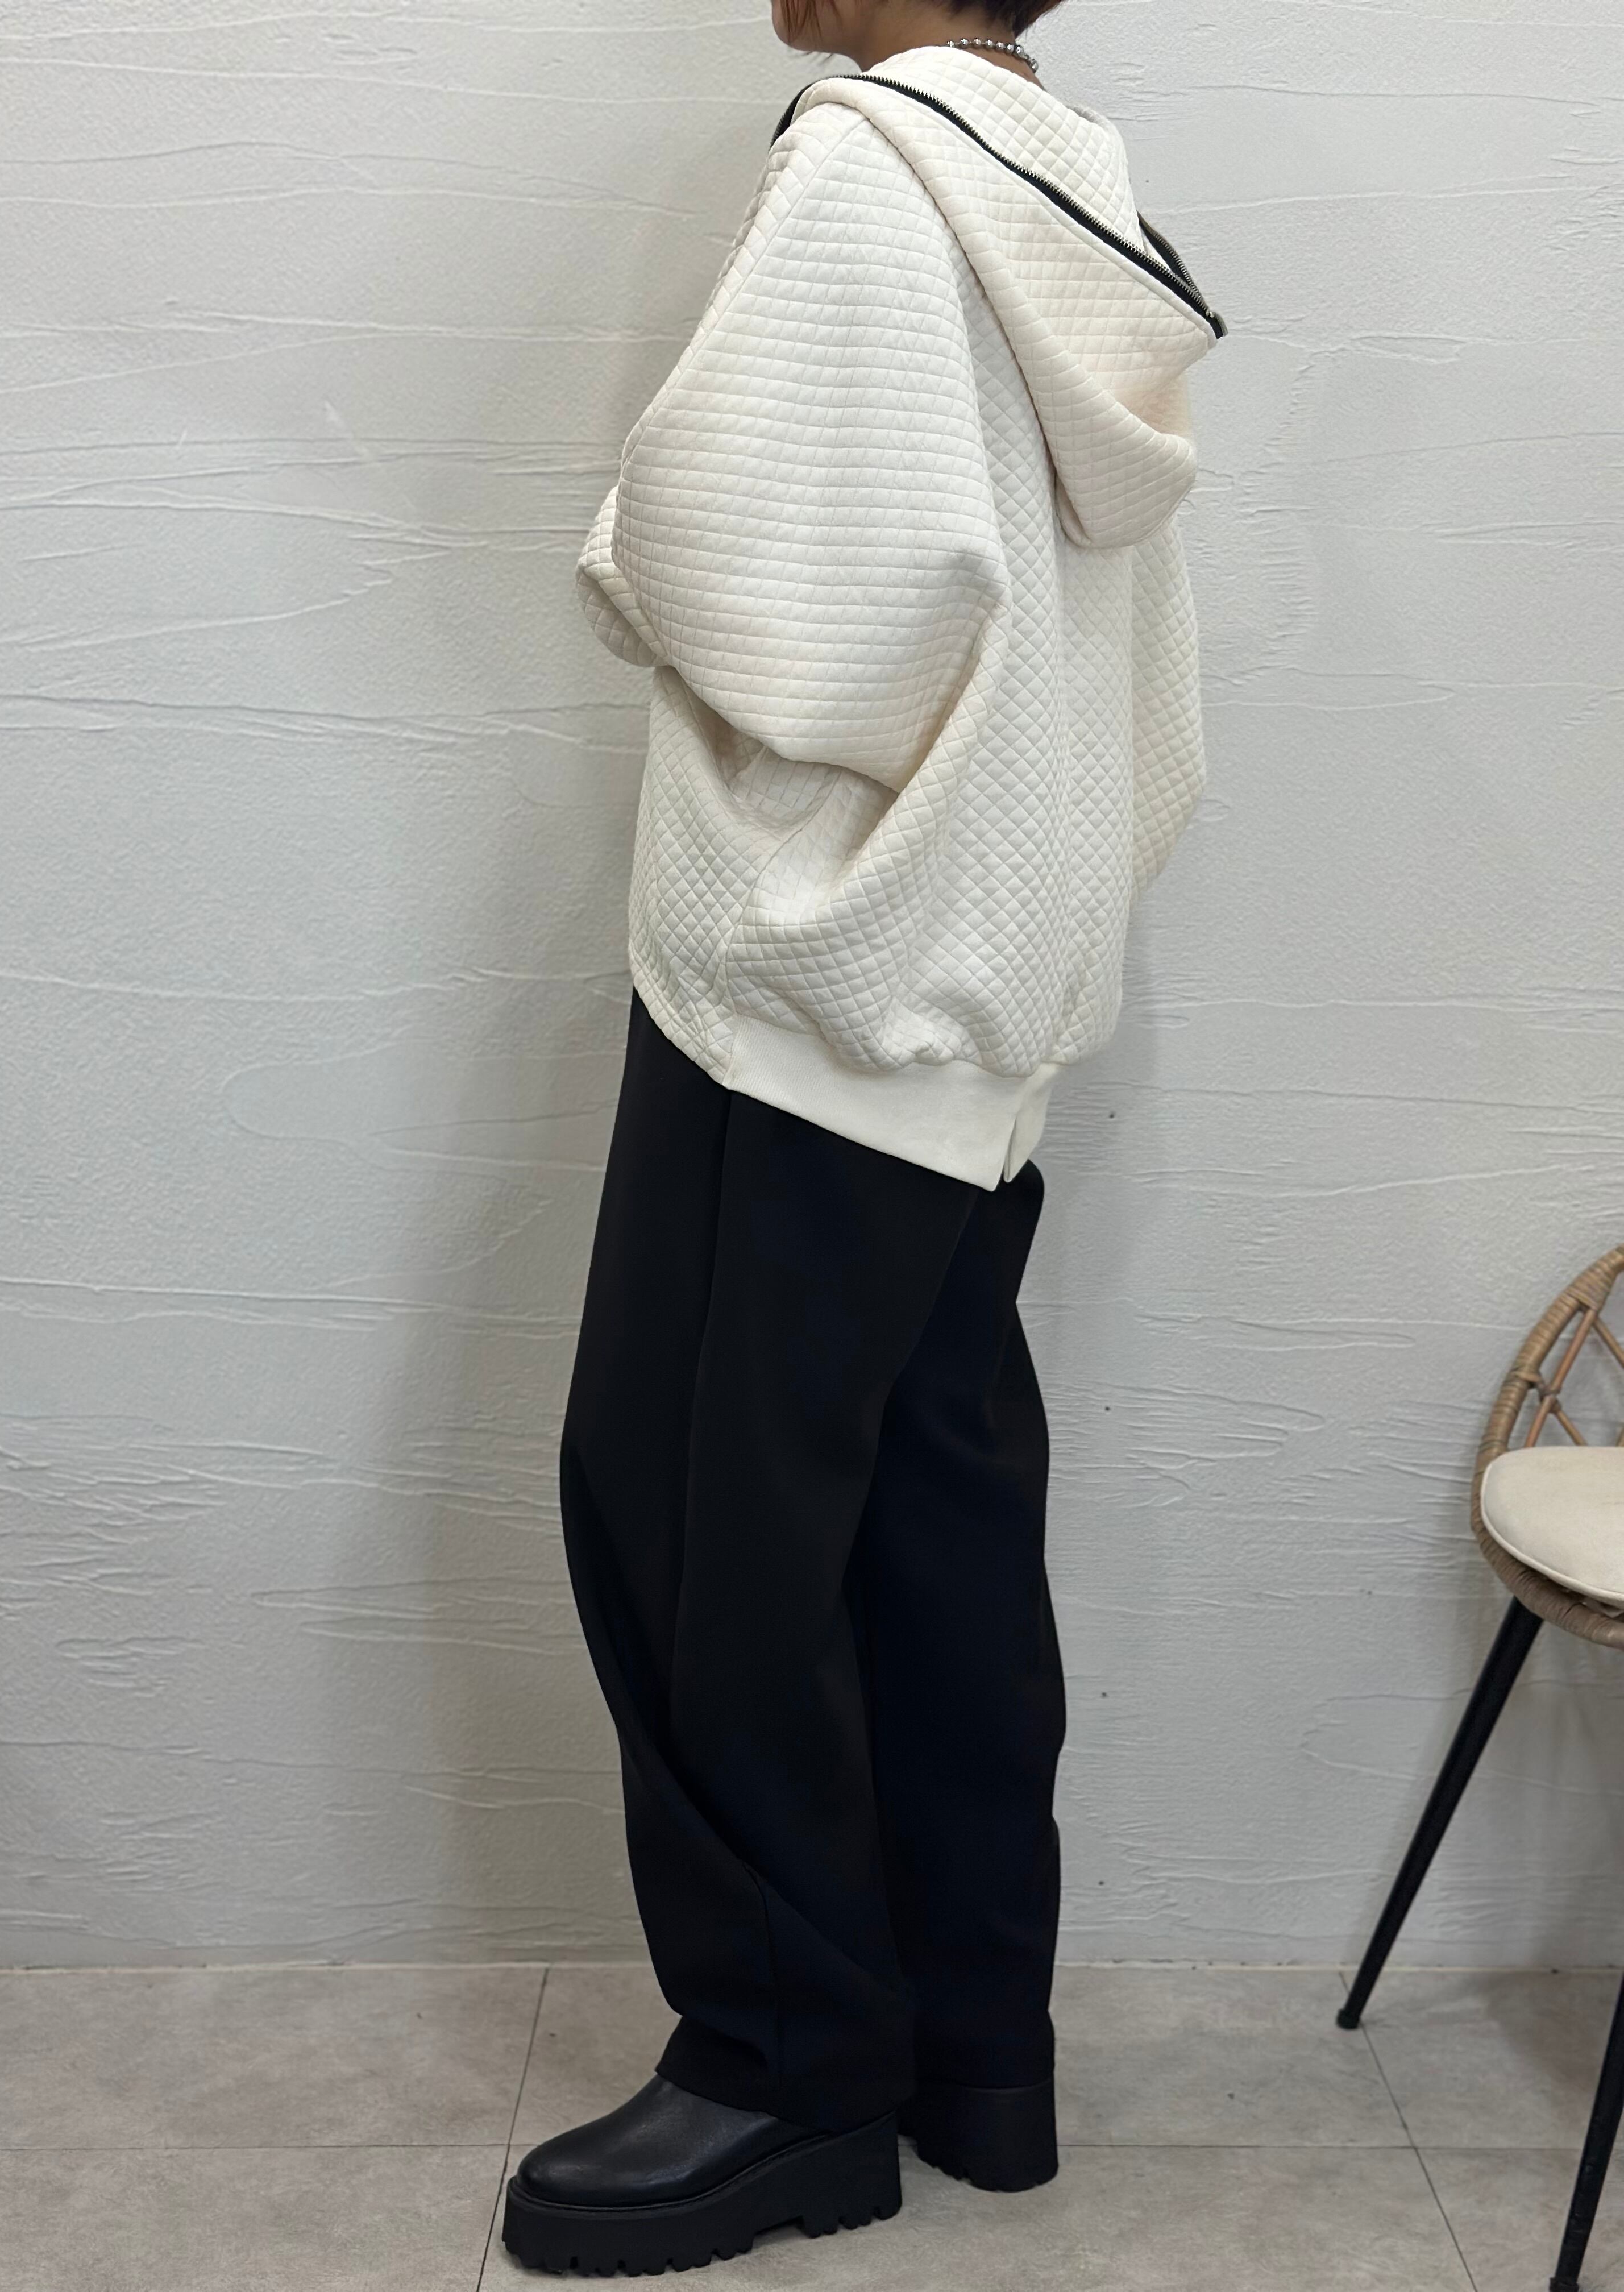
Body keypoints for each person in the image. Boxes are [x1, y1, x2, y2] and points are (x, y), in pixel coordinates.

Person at [501, 0, 1225, 2272]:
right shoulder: (1077, 197)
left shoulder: (862, 166)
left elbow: (734, 569)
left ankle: (784, 2073)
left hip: (808, 990)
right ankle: (974, 2057)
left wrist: (636, 541)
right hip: (980, 998)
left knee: (690, 1526)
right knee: (928, 1529)